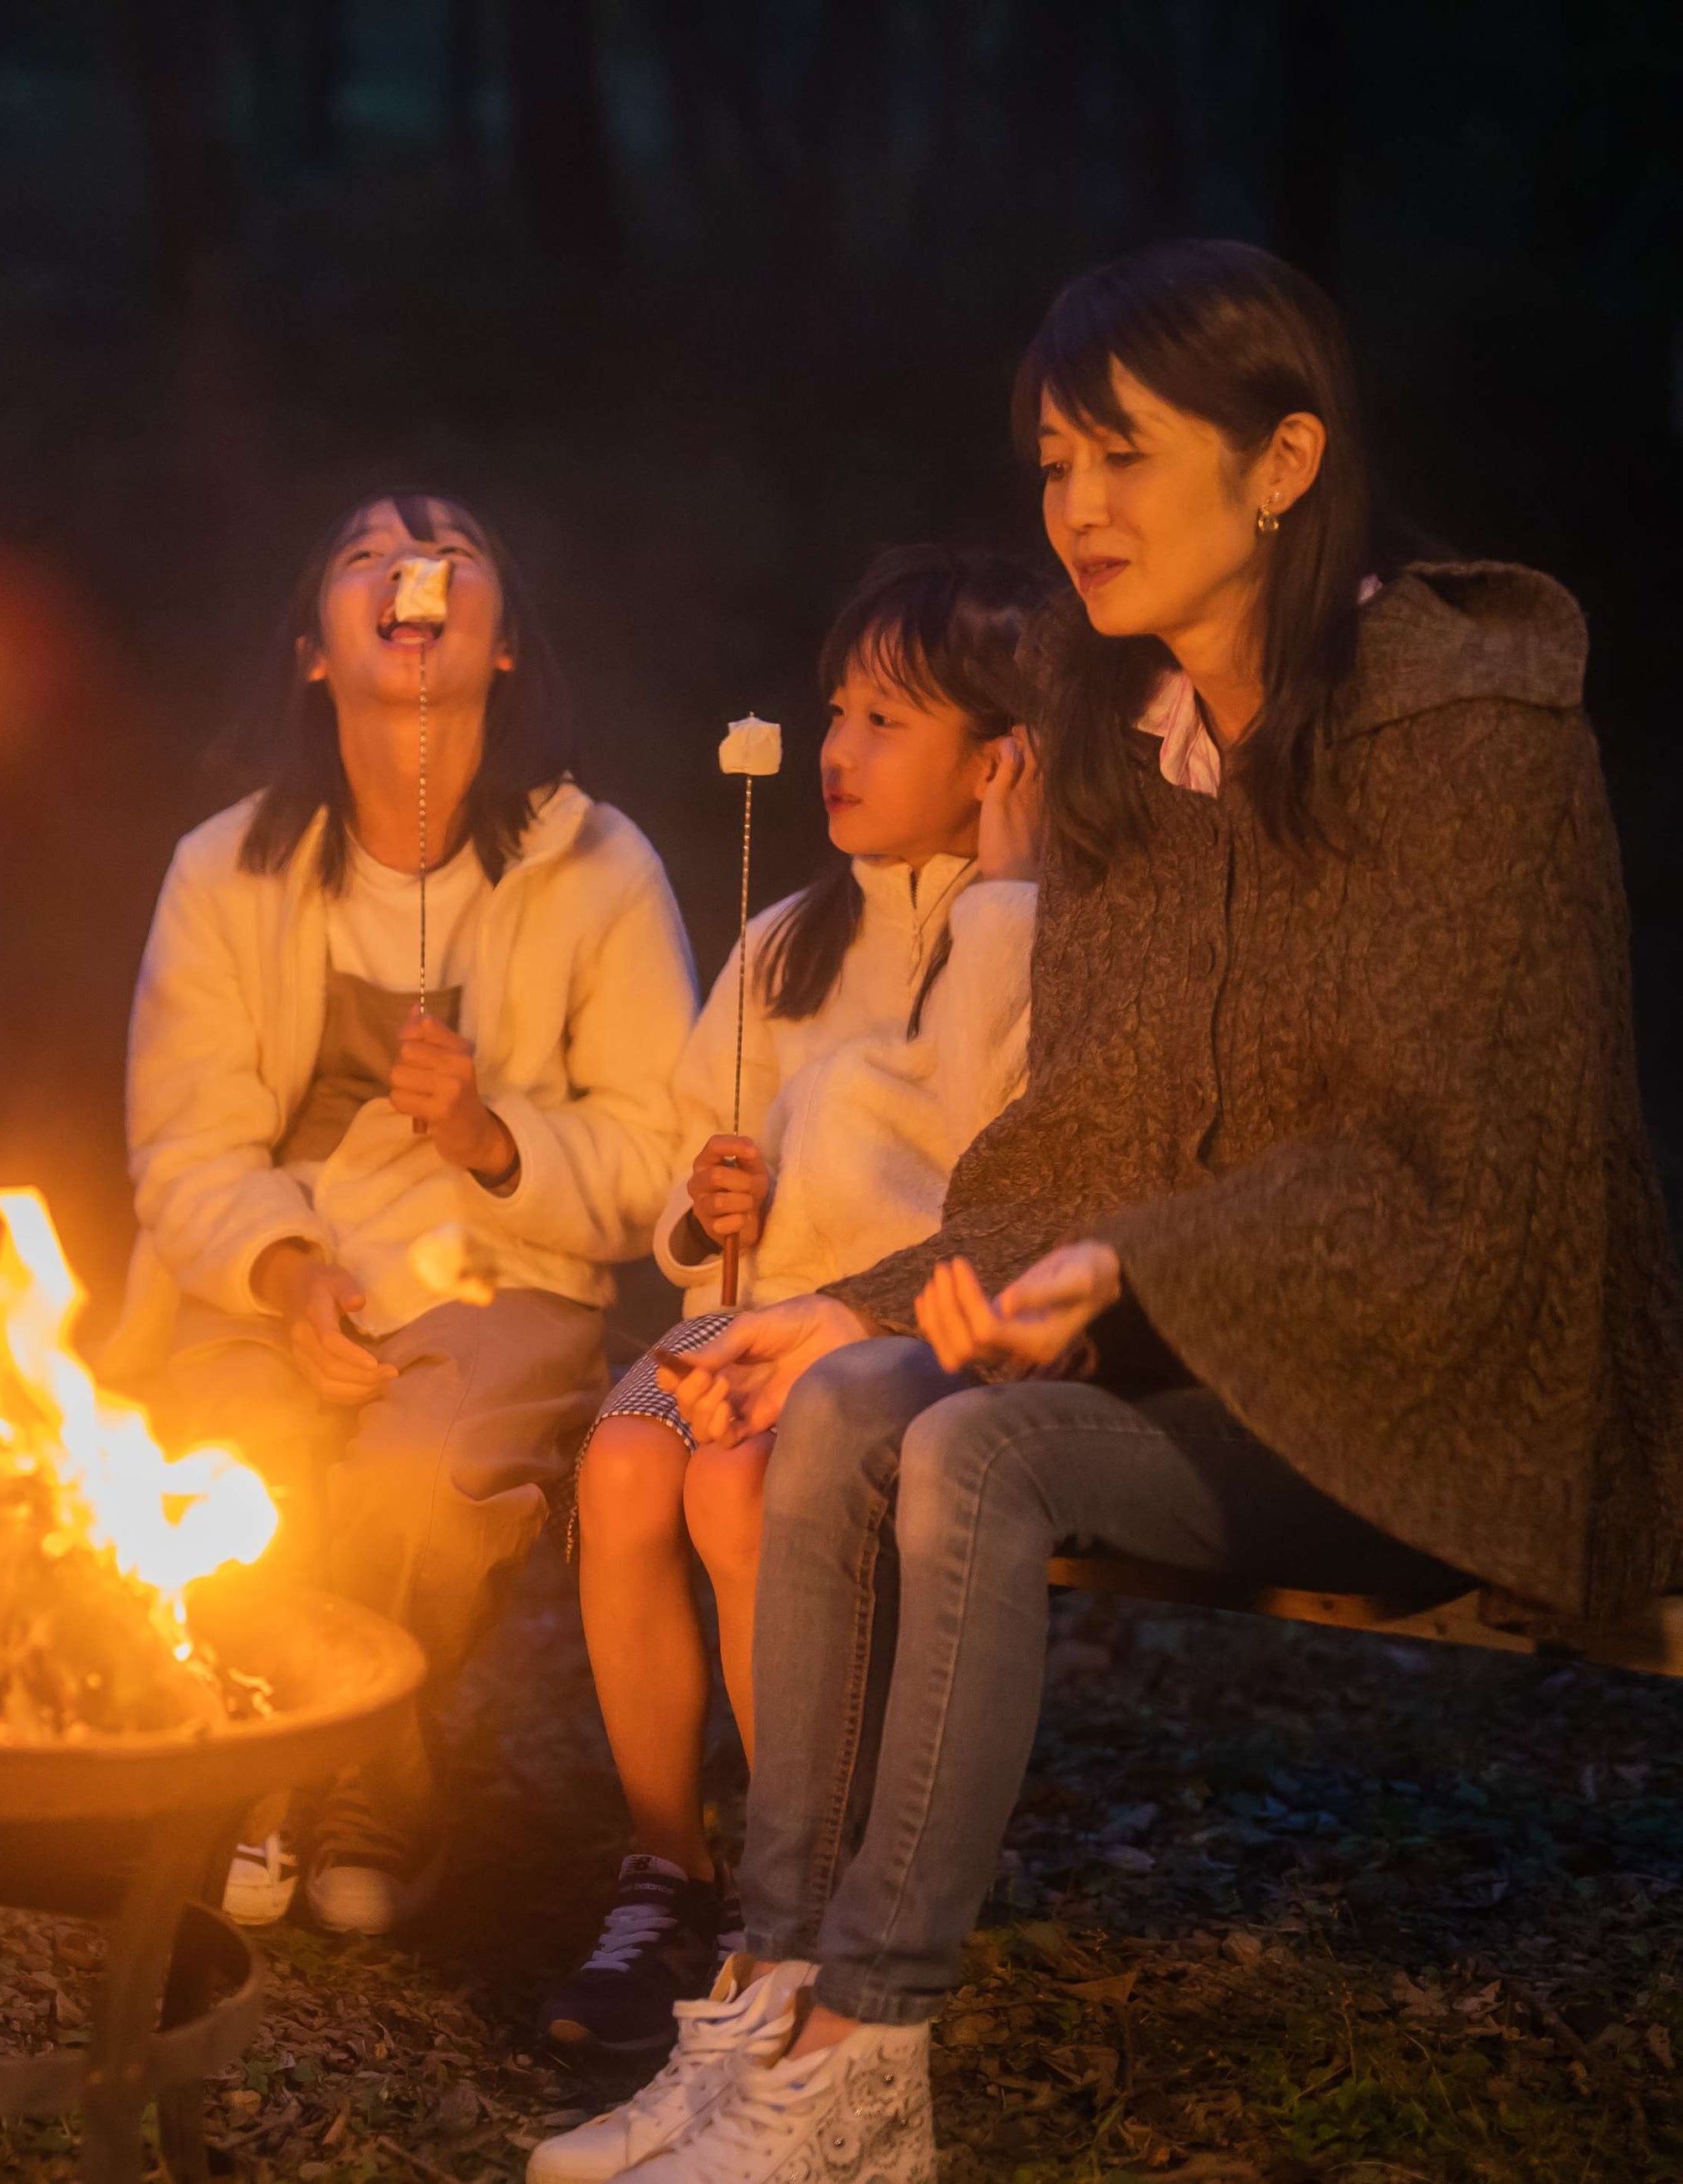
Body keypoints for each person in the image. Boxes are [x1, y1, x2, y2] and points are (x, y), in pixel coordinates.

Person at [534, 240, 1683, 2184]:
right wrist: (870, 1296)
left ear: (1286, 462)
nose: (1074, 507)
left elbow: (1462, 1156)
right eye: (1054, 462)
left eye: (1123, 456)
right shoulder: (1134, 747)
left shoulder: (1472, 733)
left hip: (1445, 1380)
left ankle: (868, 2042)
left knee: (971, 1452)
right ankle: (776, 1992)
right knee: (839, 1403)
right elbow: (1097, 1131)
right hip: (1208, 1357)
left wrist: (1129, 1267)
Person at [112, 490, 697, 1936]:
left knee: (414, 1476)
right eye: (364, 554)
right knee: (240, 1453)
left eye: (445, 552)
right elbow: (183, 1144)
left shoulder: (598, 869)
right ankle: (288, 1764)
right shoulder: (224, 868)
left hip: (504, 1279)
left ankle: (355, 1791)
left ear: (501, 649)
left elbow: (652, 1164)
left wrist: (492, 1138)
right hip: (280, 1285)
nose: (407, 571)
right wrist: (292, 1270)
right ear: (314, 649)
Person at [538, 547, 1046, 2073]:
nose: (837, 749)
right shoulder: (779, 942)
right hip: (742, 1318)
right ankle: (663, 1863)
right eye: (837, 710)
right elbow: (679, 1211)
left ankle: (801, 1875)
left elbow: (998, 1155)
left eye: (890, 719)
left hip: (892, 1332)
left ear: (995, 760)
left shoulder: (1029, 939)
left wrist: (1012, 894)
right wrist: (706, 1207)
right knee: (627, 1460)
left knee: (734, 1484)